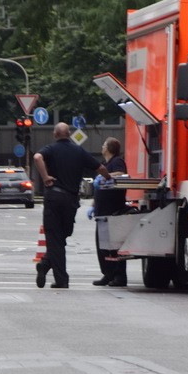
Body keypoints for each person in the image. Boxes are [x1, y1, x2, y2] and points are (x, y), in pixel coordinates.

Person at [33, 122, 111, 289]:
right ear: (69, 134)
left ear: (55, 135)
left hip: (53, 197)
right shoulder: (79, 151)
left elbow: (37, 157)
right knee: (62, 236)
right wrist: (109, 178)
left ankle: (51, 269)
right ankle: (50, 269)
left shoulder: (51, 149)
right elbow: (101, 168)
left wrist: (46, 176)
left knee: (55, 239)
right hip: (70, 201)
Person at [91, 137, 128, 287]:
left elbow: (121, 174)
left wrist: (105, 176)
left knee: (113, 245)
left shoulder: (116, 161)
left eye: (104, 145)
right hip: (102, 210)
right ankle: (108, 274)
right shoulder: (106, 164)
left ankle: (118, 276)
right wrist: (94, 203)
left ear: (109, 148)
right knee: (103, 245)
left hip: (112, 210)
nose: (102, 146)